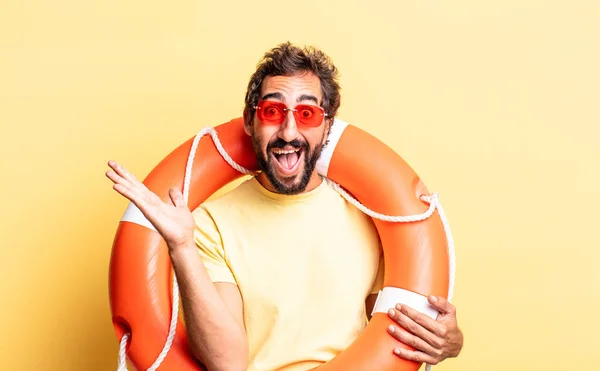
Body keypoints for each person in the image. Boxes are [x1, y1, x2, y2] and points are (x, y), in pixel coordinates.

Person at [106, 42, 463, 371]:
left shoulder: (372, 216)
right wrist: (181, 247)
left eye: (306, 114)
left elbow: (389, 330)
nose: (289, 132)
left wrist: (446, 341)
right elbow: (227, 363)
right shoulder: (208, 225)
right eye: (273, 111)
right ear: (250, 120)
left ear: (327, 126)